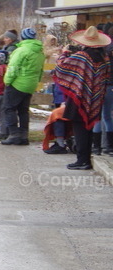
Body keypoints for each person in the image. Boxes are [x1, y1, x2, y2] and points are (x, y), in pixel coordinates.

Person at [52, 26, 112, 170]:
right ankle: (85, 158)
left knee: (79, 128)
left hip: (80, 97)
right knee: (88, 129)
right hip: (95, 99)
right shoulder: (104, 58)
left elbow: (62, 67)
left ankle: (82, 160)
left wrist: (64, 53)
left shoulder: (82, 56)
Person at [0, 27, 44, 146]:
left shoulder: (21, 50)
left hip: (18, 83)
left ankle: (14, 134)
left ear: (23, 37)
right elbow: (40, 69)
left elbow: (13, 67)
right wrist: (36, 82)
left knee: (9, 108)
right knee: (23, 111)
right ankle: (24, 136)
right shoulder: (39, 51)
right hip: (31, 84)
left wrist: (7, 81)